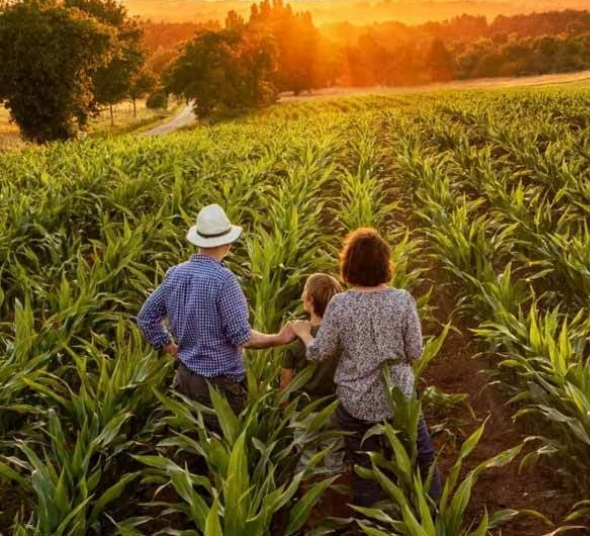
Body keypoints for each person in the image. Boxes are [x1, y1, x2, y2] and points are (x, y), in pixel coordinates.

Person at [290, 228, 442, 507]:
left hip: (355, 403)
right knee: (423, 456)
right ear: (386, 264)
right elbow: (416, 352)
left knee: (364, 465)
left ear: (348, 266)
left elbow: (319, 352)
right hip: (399, 400)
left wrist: (303, 334)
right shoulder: (402, 299)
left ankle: (371, 518)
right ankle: (432, 516)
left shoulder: (340, 304)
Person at [137, 203, 294, 430]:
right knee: (225, 452)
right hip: (220, 386)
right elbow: (243, 338)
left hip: (184, 378)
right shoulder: (224, 280)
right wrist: (279, 338)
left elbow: (145, 318)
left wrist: (170, 347)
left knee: (191, 449)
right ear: (227, 243)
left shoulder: (175, 273)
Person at [280, 273, 344, 472]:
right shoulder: (341, 338)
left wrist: (285, 411)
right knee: (335, 457)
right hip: (335, 410)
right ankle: (333, 498)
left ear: (309, 301)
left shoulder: (296, 343)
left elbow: (286, 385)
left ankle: (311, 500)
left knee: (305, 460)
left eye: (304, 293)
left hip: (304, 412)